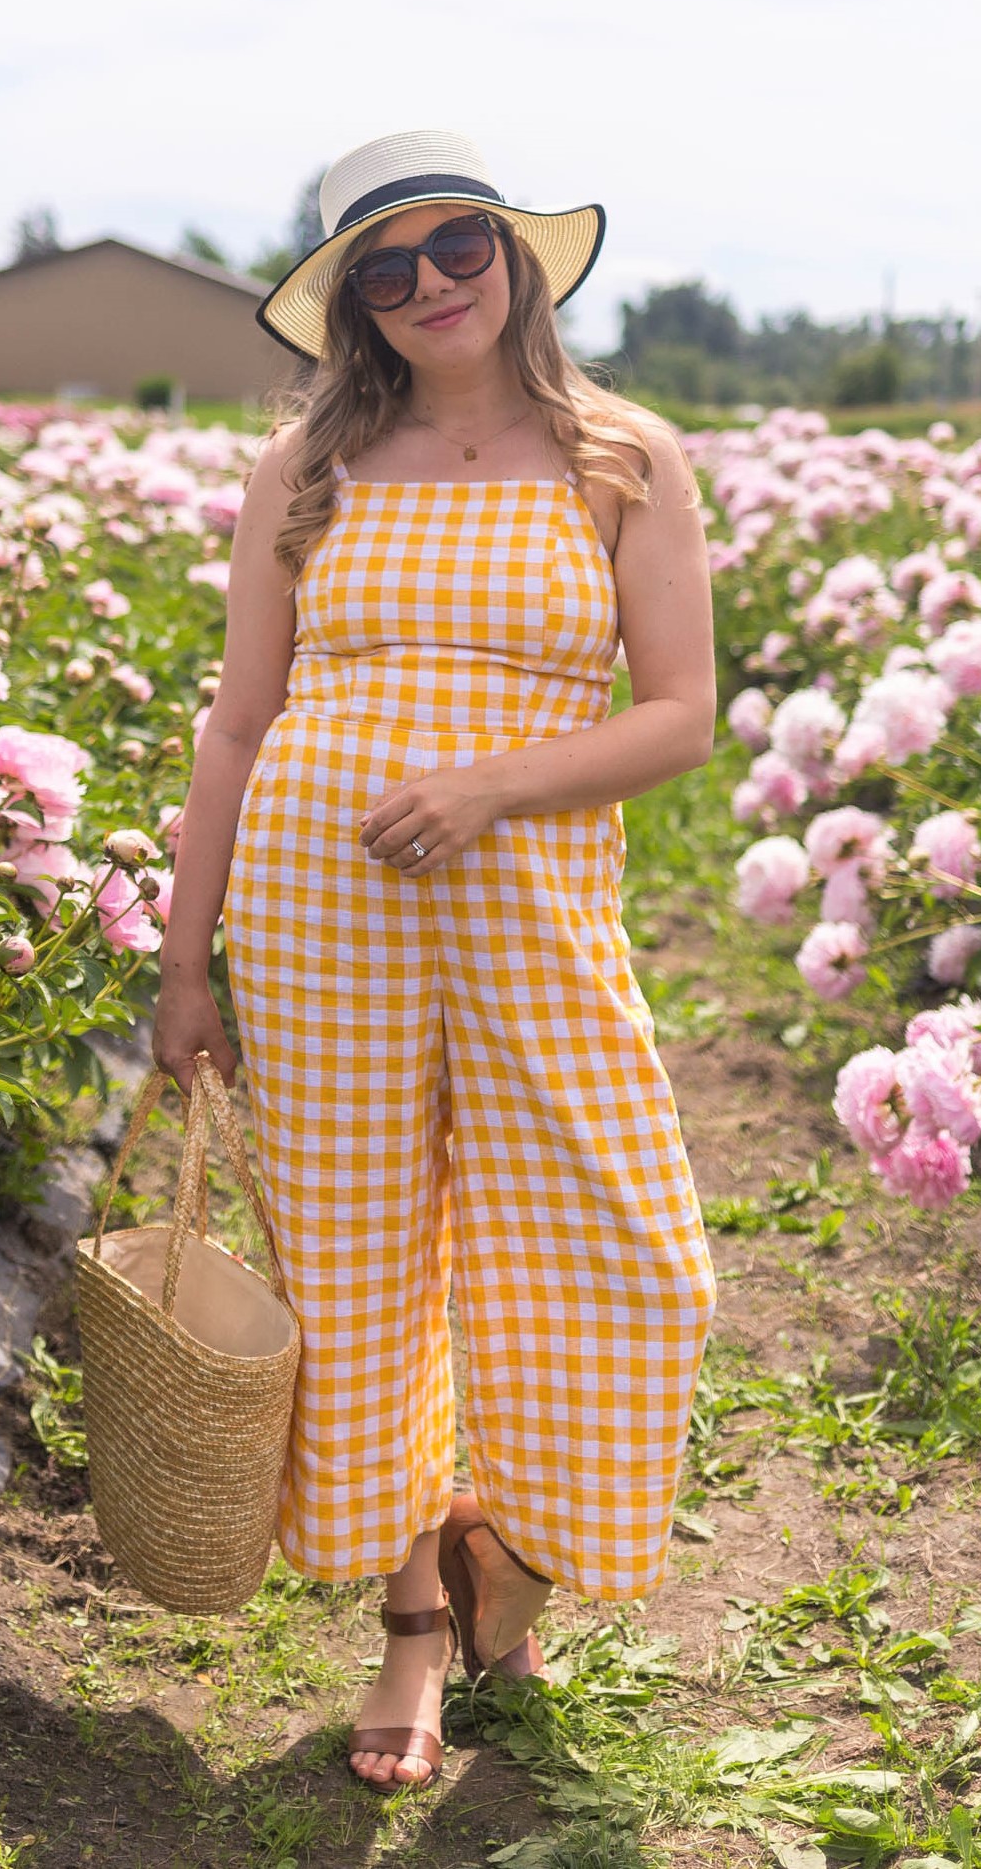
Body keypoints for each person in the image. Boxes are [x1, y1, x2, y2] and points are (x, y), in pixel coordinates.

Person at [152, 129, 718, 1795]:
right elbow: (238, 724)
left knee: (631, 1246)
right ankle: (413, 1621)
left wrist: (487, 786)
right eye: (380, 271)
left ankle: (512, 1551)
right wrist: (187, 971)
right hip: (318, 910)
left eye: (451, 246)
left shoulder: (620, 456)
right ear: (349, 305)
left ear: (512, 253)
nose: (426, 288)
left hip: (533, 900)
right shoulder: (307, 469)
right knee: (353, 1266)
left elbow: (682, 716)